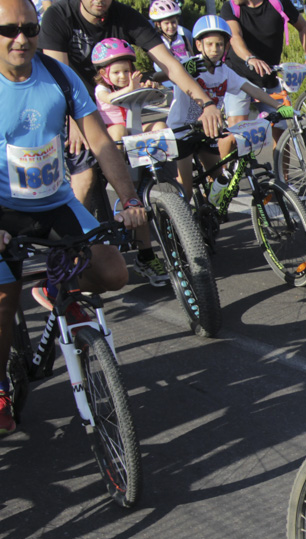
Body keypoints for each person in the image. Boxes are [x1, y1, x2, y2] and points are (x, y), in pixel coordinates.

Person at [0, 0, 146, 434]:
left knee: (113, 272)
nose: (21, 38)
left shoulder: (59, 76)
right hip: (5, 209)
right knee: (5, 299)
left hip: (55, 202)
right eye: (9, 30)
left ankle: (56, 285)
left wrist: (129, 199)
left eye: (29, 28)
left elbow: (101, 141)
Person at [39, 0, 224, 285]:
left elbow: (170, 64)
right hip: (76, 112)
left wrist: (207, 103)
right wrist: (70, 121)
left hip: (124, 111)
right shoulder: (58, 16)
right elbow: (55, 74)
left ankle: (167, 214)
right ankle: (72, 255)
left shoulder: (124, 15)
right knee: (86, 179)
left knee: (159, 139)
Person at [163, 16, 294, 204]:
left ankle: (207, 213)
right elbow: (162, 73)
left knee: (220, 182)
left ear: (226, 47)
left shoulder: (225, 71)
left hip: (207, 130)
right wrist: (185, 68)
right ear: (199, 45)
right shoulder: (188, 65)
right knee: (186, 190)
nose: (215, 50)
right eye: (209, 45)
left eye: (219, 45)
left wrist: (279, 107)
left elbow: (252, 89)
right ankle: (179, 226)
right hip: (181, 132)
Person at [221, 0, 306, 127]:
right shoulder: (230, 7)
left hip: (268, 77)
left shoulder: (279, 3)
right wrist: (250, 58)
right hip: (239, 77)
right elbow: (235, 37)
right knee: (238, 132)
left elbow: (303, 27)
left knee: (283, 129)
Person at [91, 38, 166, 141]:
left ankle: (160, 156)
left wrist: (150, 87)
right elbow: (108, 98)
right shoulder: (102, 88)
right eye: (116, 72)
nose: (123, 76)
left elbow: (143, 90)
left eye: (126, 71)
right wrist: (130, 89)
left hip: (134, 127)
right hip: (111, 128)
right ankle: (118, 157)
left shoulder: (131, 85)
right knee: (119, 130)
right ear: (104, 73)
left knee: (160, 127)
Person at [149, 0, 193, 92]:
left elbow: (191, 56)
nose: (171, 26)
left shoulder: (183, 38)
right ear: (158, 24)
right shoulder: (158, 42)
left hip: (187, 77)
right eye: (166, 23)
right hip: (169, 81)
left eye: (173, 22)